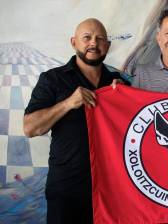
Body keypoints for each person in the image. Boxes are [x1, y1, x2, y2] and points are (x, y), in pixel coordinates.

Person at [23, 18, 128, 224]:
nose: (93, 43)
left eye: (99, 39)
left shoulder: (119, 83)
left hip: (112, 190)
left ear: (107, 46)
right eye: (87, 37)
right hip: (66, 191)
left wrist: (125, 97)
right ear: (74, 42)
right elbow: (30, 128)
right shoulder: (52, 79)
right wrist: (68, 103)